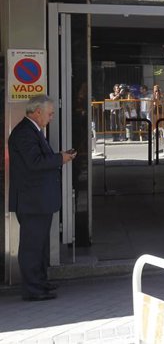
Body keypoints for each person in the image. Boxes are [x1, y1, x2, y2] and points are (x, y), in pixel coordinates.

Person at [8, 95, 77, 301]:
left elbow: (38, 160)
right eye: (50, 113)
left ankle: (40, 282)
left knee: (40, 245)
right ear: (37, 112)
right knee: (31, 246)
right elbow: (35, 163)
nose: (52, 116)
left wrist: (59, 156)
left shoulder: (33, 131)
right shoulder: (24, 133)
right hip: (32, 202)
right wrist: (60, 158)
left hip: (38, 200)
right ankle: (32, 289)